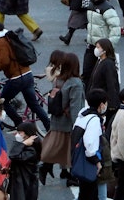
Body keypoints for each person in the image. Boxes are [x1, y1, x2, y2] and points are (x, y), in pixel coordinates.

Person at [0, 20, 50, 131]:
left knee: (3, 102)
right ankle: (49, 128)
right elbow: (3, 56)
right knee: (34, 105)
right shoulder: (7, 37)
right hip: (27, 74)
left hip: (16, 78)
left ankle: (19, 124)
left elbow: (4, 61)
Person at [41, 53, 85, 186]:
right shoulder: (76, 83)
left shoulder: (58, 79)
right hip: (69, 122)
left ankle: (53, 168)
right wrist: (78, 125)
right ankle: (72, 175)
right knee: (72, 148)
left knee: (58, 146)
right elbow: (75, 106)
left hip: (57, 119)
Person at [7, 122, 41, 200]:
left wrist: (23, 143)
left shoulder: (31, 151)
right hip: (22, 183)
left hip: (24, 185)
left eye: (20, 133)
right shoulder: (26, 147)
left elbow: (13, 155)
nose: (17, 135)